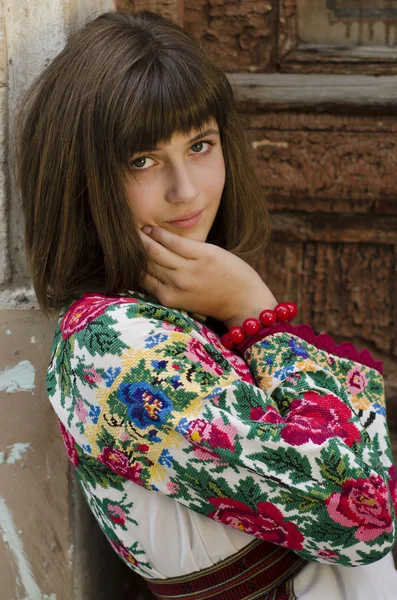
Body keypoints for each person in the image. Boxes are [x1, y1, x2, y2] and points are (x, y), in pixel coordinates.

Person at [17, 9, 397, 600]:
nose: (186, 191)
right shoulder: (116, 347)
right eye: (141, 160)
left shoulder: (175, 310)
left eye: (200, 145)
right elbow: (362, 516)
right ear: (83, 177)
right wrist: (254, 308)